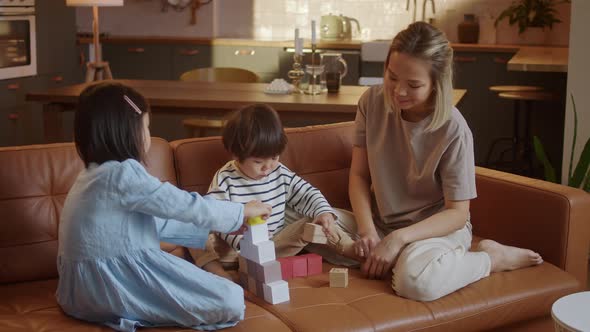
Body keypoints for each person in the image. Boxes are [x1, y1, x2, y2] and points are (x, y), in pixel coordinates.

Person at [347, 22, 543, 302]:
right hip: (381, 222)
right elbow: (359, 176)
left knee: (415, 283)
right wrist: (367, 232)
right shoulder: (371, 102)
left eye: (413, 84)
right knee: (314, 227)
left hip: (435, 229)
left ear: (437, 82)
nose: (398, 91)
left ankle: (491, 258)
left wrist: (398, 239)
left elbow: (457, 214)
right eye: (392, 77)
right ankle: (397, 255)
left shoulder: (454, 129)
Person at [56, 82, 271, 331]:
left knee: (217, 290)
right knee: (231, 299)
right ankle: (135, 308)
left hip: (80, 294)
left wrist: (218, 227)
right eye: (146, 127)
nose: (148, 134)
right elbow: (180, 204)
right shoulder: (122, 174)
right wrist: (241, 211)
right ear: (128, 131)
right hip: (113, 285)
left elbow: (151, 222)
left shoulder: (91, 175)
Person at [192, 104, 358, 271]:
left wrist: (323, 212)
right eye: (258, 162)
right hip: (237, 252)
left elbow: (307, 193)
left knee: (313, 222)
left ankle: (351, 249)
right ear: (236, 155)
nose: (268, 167)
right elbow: (217, 216)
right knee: (193, 230)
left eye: (274, 157)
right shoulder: (225, 178)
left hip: (275, 247)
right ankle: (219, 274)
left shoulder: (279, 172)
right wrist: (245, 241)